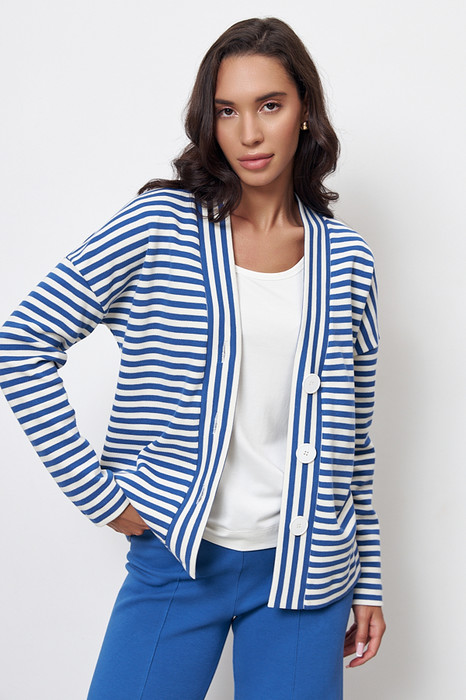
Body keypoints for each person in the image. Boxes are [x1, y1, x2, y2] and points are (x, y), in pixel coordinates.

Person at [0, 16, 386, 700]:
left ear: (305, 111)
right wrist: (100, 496)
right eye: (227, 111)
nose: (249, 133)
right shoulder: (159, 226)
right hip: (179, 561)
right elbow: (22, 341)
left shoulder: (348, 259)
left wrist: (369, 582)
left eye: (270, 105)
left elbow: (353, 439)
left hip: (309, 576)